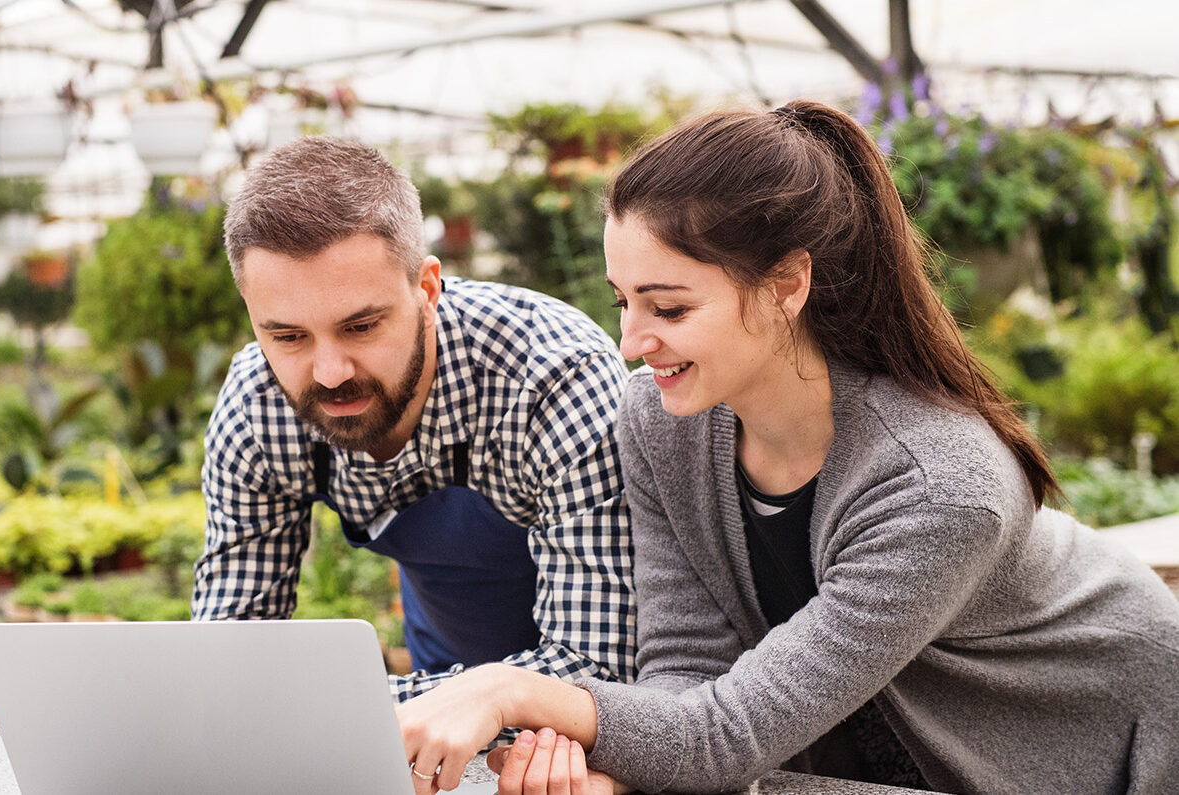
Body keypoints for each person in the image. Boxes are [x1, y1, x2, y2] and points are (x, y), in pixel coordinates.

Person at [396, 100, 1179, 795]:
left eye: (669, 307)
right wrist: (620, 770)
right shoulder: (660, 422)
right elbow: (686, 675)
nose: (630, 342)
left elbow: (724, 738)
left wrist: (506, 689)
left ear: (786, 286)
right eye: (624, 300)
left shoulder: (938, 483)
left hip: (1081, 750)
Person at [190, 135, 638, 706]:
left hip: (573, 719)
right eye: (288, 336)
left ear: (427, 290)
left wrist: (353, 708)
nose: (330, 372)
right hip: (437, 675)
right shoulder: (258, 405)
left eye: (361, 327)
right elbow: (231, 654)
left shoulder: (551, 377)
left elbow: (598, 670)